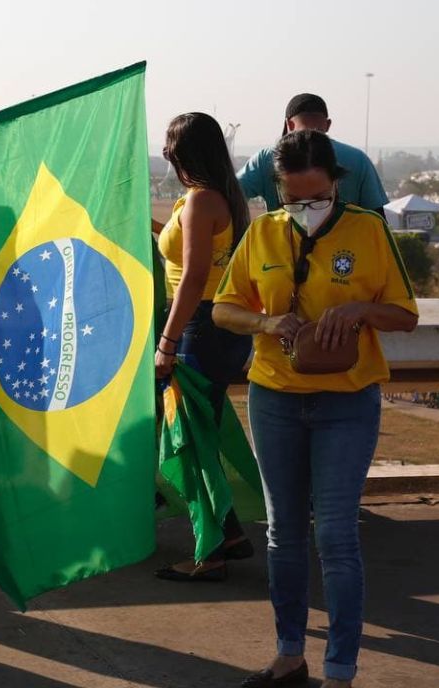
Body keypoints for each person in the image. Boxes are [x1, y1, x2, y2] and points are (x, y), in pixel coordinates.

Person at [213, 130, 418, 688]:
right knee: (283, 532)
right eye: (294, 200)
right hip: (275, 397)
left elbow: (405, 315)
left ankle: (340, 670)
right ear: (277, 191)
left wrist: (360, 309)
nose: (306, 210)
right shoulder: (262, 233)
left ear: (336, 185)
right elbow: (224, 310)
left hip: (346, 402)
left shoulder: (369, 231)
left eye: (317, 197)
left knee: (334, 534)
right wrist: (265, 322)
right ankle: (288, 655)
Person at [153, 113, 255, 581]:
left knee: (191, 445)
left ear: (181, 154)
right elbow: (190, 254)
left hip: (196, 328)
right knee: (203, 439)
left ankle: (208, 552)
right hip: (222, 331)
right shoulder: (226, 198)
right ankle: (228, 532)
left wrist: (167, 343)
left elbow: (193, 278)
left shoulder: (199, 201)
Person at [238, 94, 387, 217]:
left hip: (281, 249)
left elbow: (231, 195)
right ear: (328, 124)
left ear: (289, 125)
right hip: (346, 251)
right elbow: (377, 216)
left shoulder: (267, 158)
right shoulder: (358, 159)